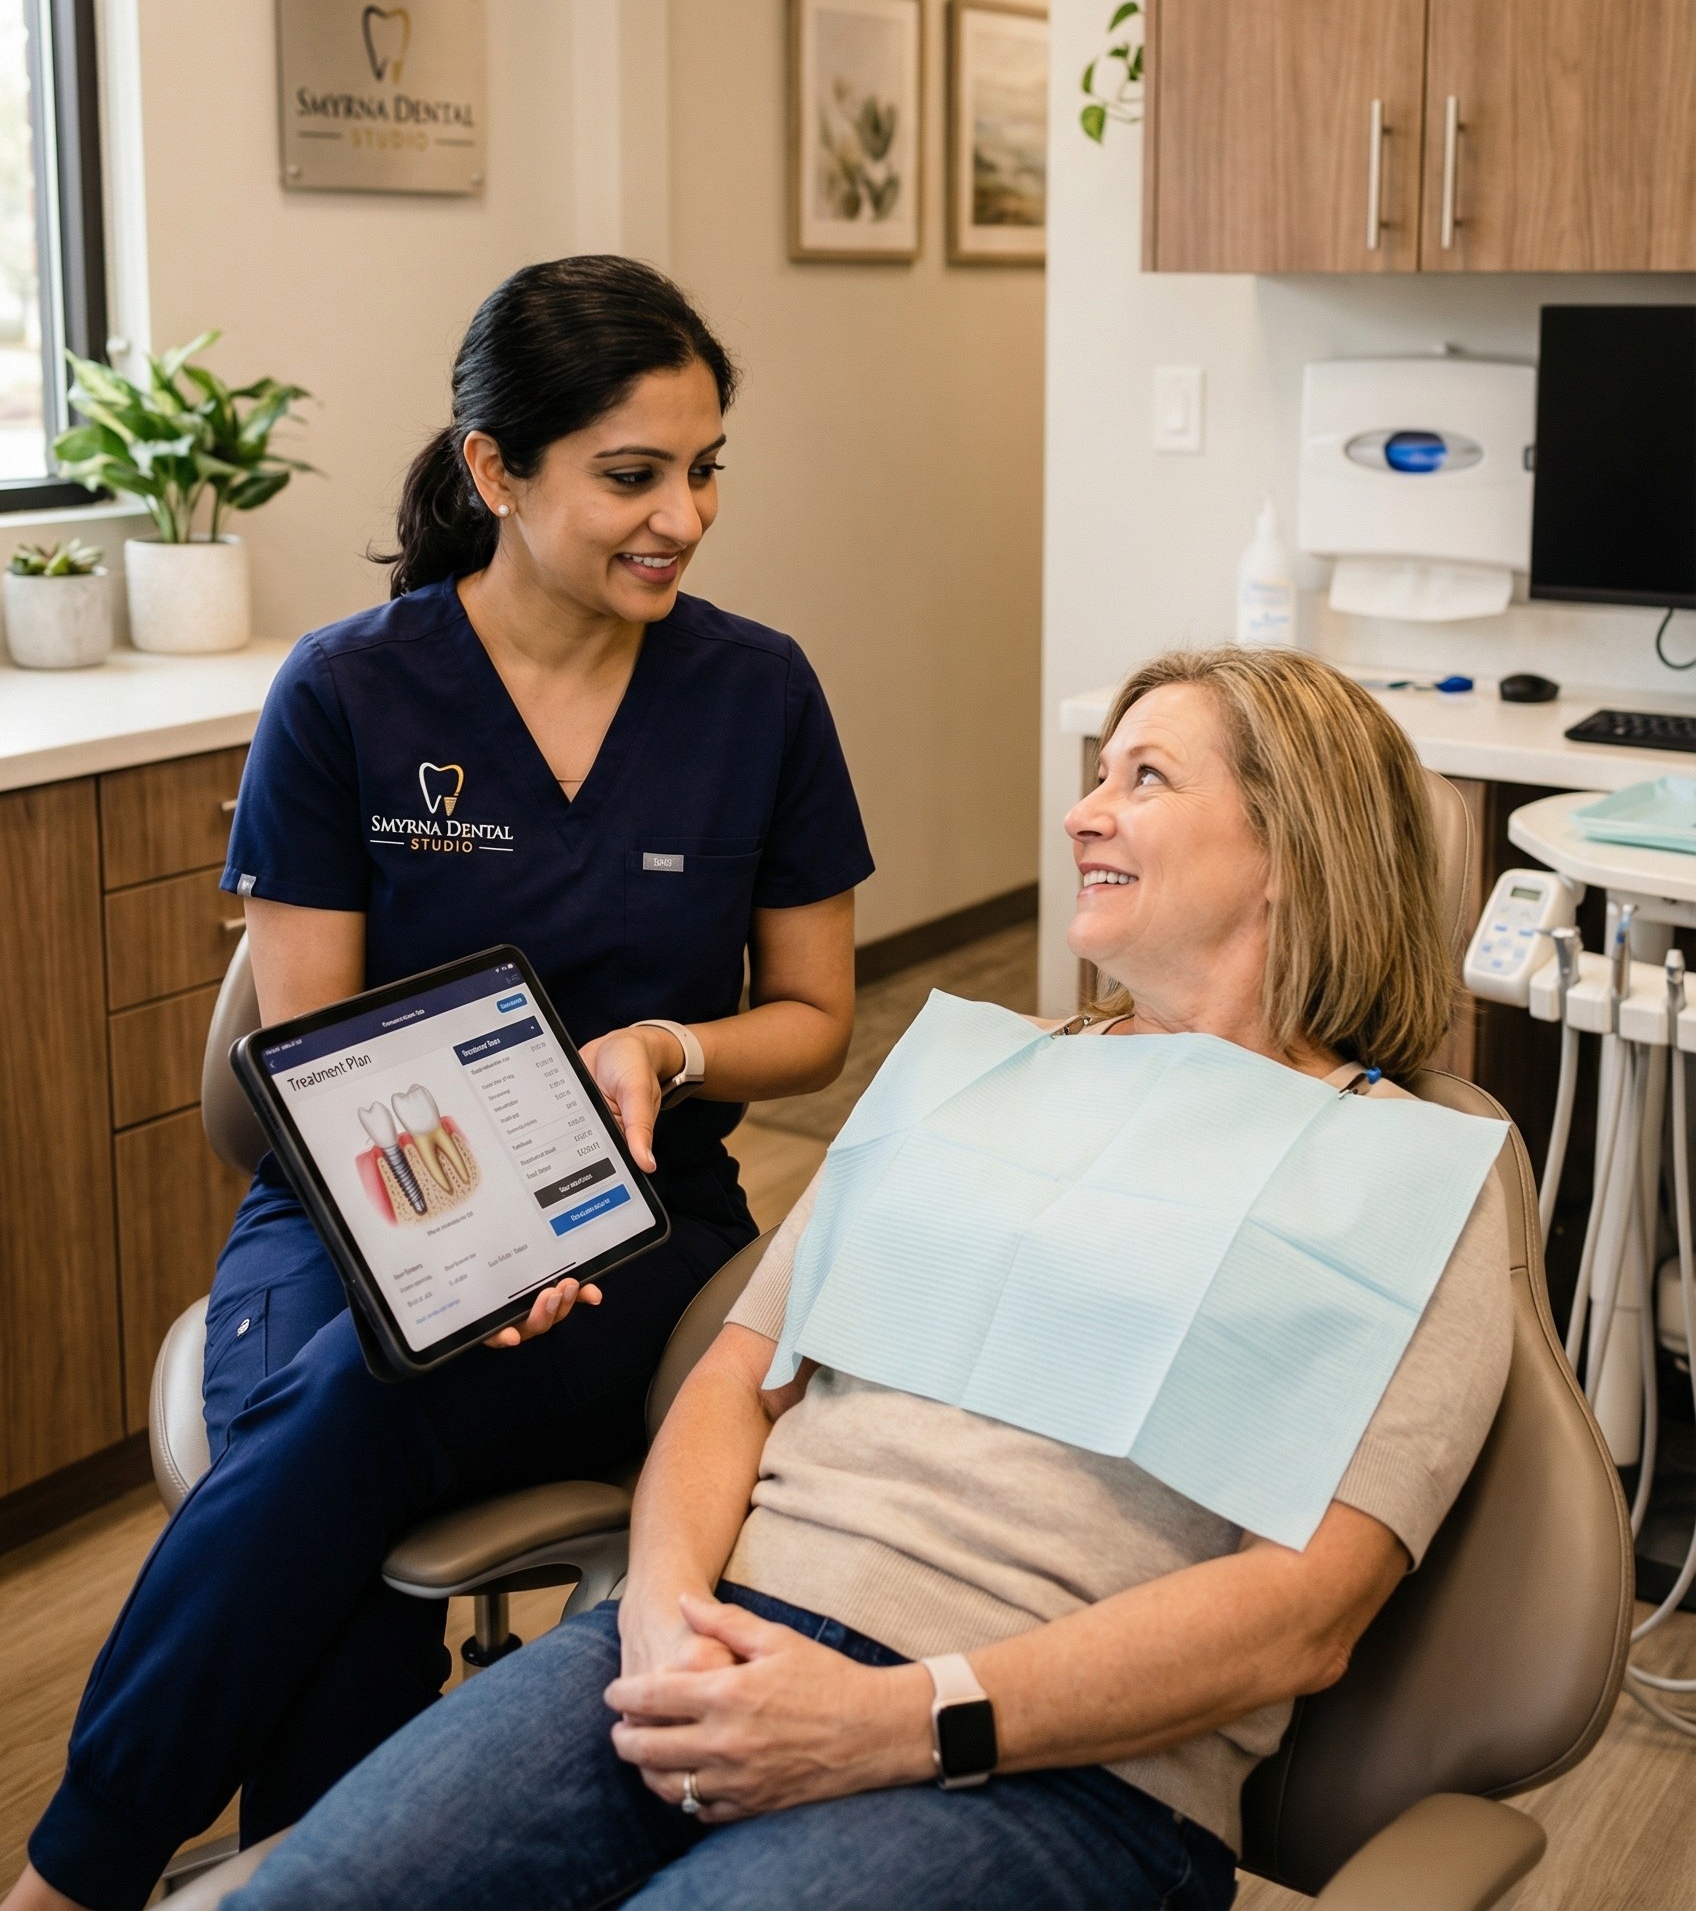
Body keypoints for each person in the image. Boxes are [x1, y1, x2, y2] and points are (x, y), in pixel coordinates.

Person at [216, 647, 1514, 1911]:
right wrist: (661, 1615)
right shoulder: (975, 1072)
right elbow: (737, 1378)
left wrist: (894, 1719)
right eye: (1098, 774)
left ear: (1294, 846)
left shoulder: (1416, 1173)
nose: (1081, 811)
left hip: (1054, 1772)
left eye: (1147, 780)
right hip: (710, 1646)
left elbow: (1306, 1614)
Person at [15, 257, 873, 1911]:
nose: (681, 518)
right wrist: (453, 1249)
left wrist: (670, 1051)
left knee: (343, 1422)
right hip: (348, 1210)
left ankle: (81, 1878)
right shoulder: (347, 693)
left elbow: (818, 1017)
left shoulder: (756, 690)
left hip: (638, 1228)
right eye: (632, 474)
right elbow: (307, 1058)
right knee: (353, 1446)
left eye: (703, 471)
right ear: (496, 470)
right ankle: (307, 1872)